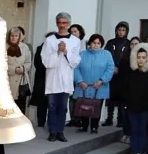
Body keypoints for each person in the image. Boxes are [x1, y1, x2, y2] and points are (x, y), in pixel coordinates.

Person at [41, 12, 81, 142]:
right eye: (59, 23)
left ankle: (60, 131)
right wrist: (57, 52)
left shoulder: (75, 41)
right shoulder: (49, 40)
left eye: (64, 23)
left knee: (63, 107)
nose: (62, 25)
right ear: (56, 23)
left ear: (69, 24)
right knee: (52, 106)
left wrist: (65, 52)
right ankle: (52, 131)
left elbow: (75, 61)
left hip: (65, 78)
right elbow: (46, 61)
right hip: (53, 79)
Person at [72, 34, 114, 134]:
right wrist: (80, 81)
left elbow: (110, 69)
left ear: (101, 45)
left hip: (100, 86)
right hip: (84, 85)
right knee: (83, 104)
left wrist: (102, 80)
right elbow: (76, 68)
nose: (96, 45)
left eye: (98, 43)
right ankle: (84, 126)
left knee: (97, 106)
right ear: (89, 43)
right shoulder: (82, 54)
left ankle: (94, 126)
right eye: (94, 43)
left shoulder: (107, 54)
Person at [123, 43, 148, 154]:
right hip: (132, 107)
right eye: (138, 57)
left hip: (146, 108)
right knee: (133, 130)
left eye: (143, 57)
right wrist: (127, 103)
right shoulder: (131, 73)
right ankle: (133, 153)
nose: (141, 60)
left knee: (142, 130)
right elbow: (125, 90)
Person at [103, 21, 131, 127]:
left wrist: (120, 68)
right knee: (110, 96)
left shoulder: (128, 43)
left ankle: (120, 119)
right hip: (111, 71)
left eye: (123, 30)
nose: (121, 32)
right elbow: (106, 55)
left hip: (123, 73)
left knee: (121, 98)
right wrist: (112, 67)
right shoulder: (111, 42)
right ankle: (109, 118)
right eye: (119, 30)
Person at [29, 32, 55, 128]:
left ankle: (51, 124)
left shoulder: (57, 50)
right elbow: (37, 64)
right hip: (41, 78)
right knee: (41, 102)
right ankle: (40, 123)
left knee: (52, 102)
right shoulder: (40, 48)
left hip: (53, 79)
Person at [6, 27, 32, 114]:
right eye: (12, 35)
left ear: (19, 37)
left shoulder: (24, 47)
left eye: (16, 36)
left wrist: (22, 69)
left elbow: (28, 62)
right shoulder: (4, 47)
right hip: (9, 80)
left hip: (21, 81)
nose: (13, 38)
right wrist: (13, 69)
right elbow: (0, 63)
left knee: (20, 107)